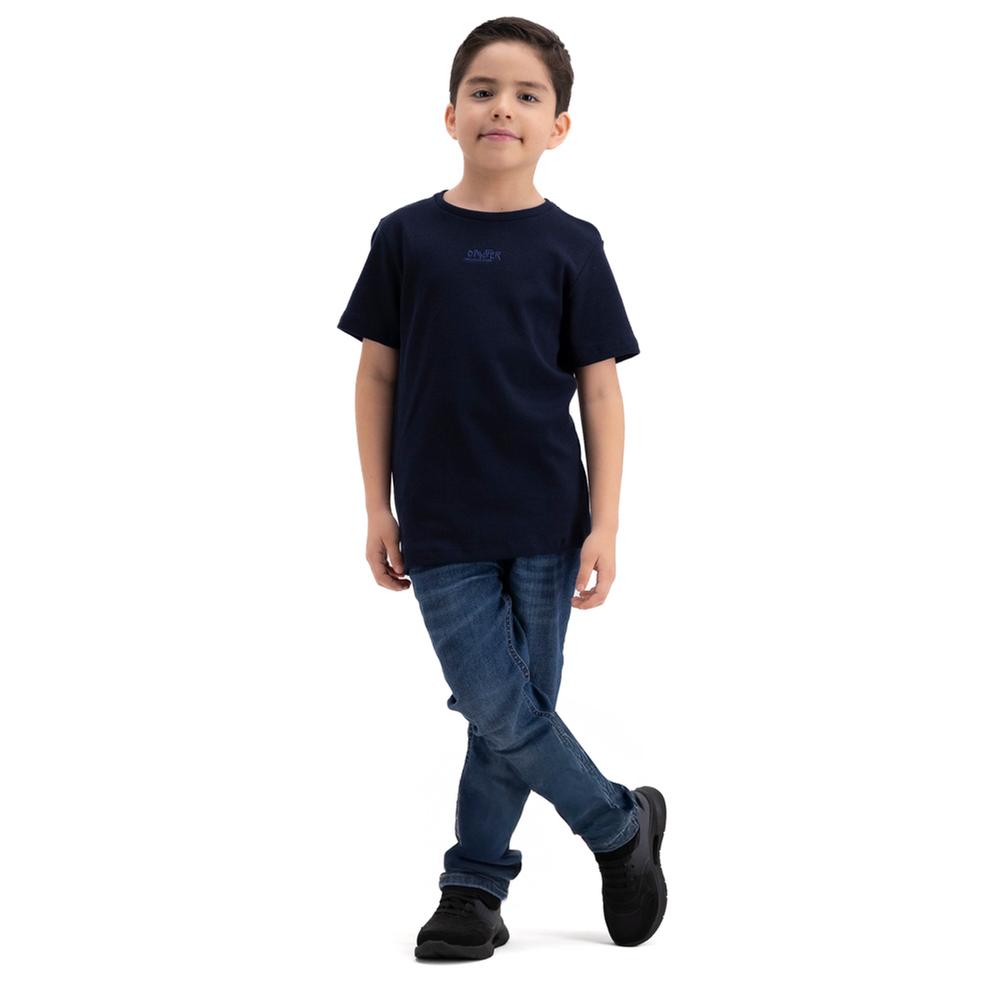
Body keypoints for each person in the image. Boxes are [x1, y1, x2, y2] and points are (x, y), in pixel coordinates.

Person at [338, 17, 667, 960]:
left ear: (558, 126)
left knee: (509, 714)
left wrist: (606, 523)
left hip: (547, 519)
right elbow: (376, 375)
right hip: (439, 522)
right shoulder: (406, 237)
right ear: (450, 114)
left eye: (528, 95)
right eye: (483, 90)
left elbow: (600, 391)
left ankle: (473, 887)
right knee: (499, 703)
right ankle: (619, 826)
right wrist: (375, 506)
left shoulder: (573, 245)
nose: (502, 108)